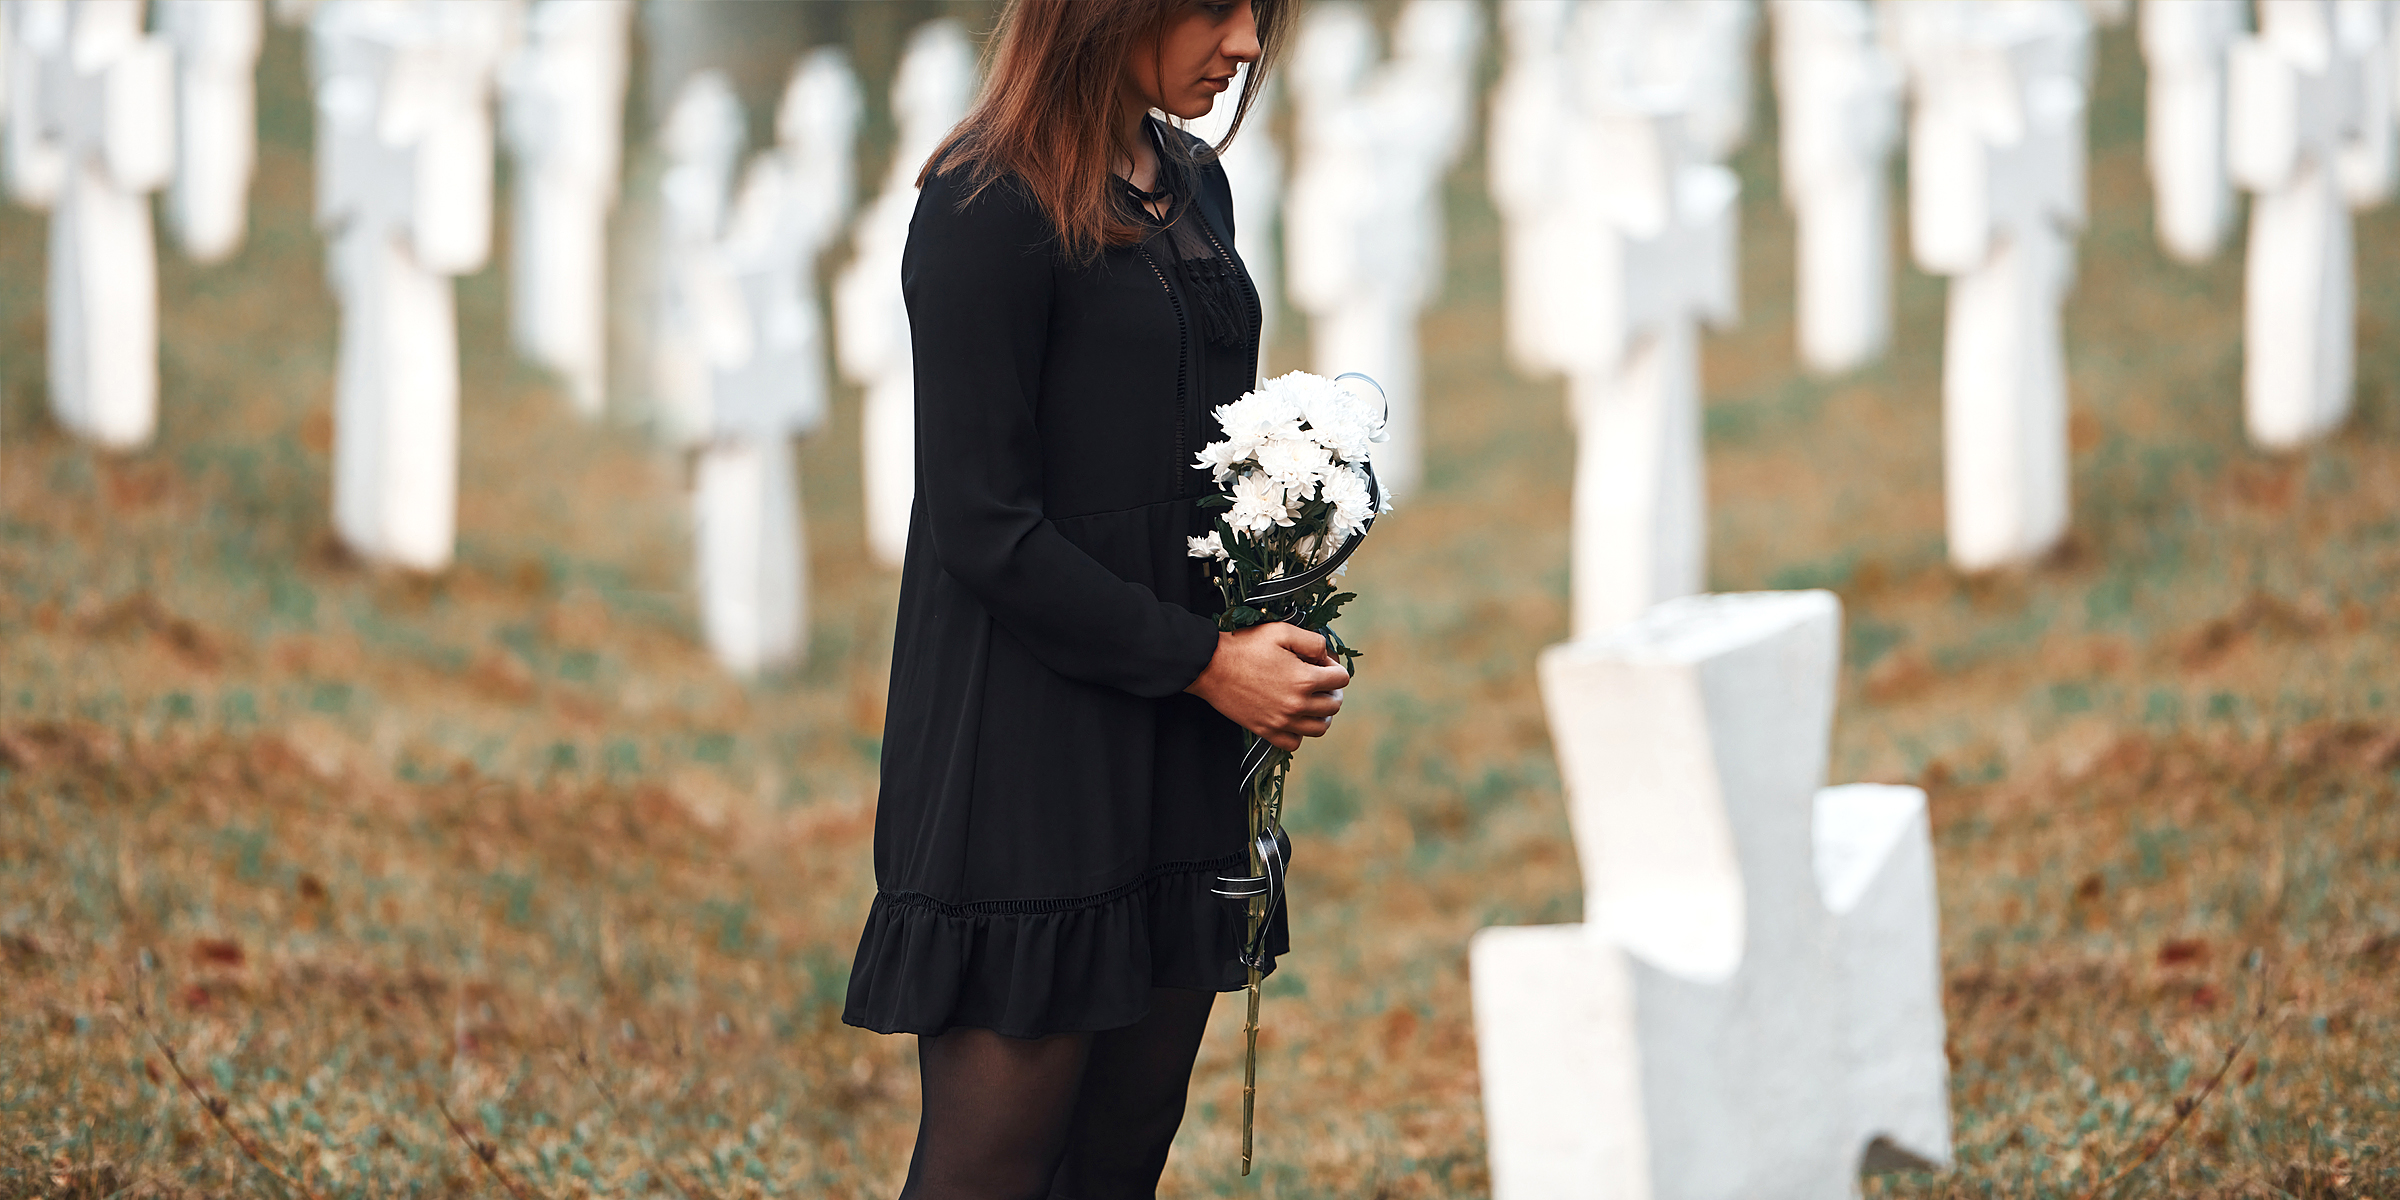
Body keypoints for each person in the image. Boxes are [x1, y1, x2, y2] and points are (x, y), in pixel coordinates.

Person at [838, 2, 1333, 1197]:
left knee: (1118, 1163)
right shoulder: (980, 209)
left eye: (1259, 13)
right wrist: (1215, 664)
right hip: (1027, 754)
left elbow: (1198, 462)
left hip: (1173, 751)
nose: (1248, 45)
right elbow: (985, 527)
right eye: (1220, 8)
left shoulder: (1194, 184)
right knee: (991, 1171)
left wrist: (1295, 554)